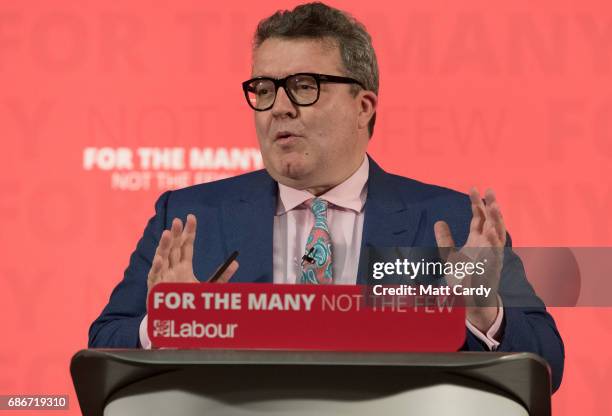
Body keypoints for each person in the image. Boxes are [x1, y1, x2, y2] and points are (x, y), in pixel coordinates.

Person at [89, 2, 564, 392]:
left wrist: (484, 313)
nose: (279, 107)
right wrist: (170, 322)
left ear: (363, 107)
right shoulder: (192, 216)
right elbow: (103, 346)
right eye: (263, 88)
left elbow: (547, 361)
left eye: (303, 86)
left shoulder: (449, 219)